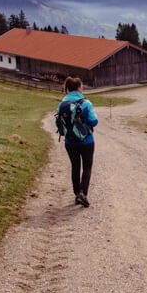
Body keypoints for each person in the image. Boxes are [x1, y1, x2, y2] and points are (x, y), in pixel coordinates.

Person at [58, 76, 99, 207]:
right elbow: (94, 122)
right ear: (79, 87)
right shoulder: (86, 103)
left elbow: (58, 123)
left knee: (75, 167)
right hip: (86, 141)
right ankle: (83, 194)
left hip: (70, 142)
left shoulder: (62, 104)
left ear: (67, 88)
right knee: (87, 167)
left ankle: (77, 194)